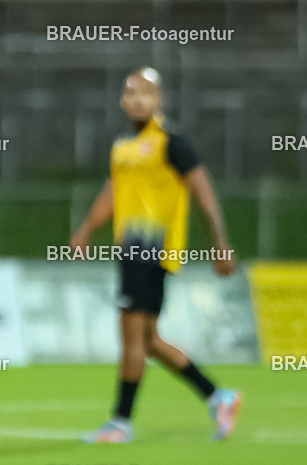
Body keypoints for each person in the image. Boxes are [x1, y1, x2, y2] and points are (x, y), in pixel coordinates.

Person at [70, 67, 241, 444]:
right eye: (131, 93)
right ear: (121, 100)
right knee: (148, 340)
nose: (138, 99)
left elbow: (203, 192)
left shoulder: (171, 143)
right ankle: (219, 396)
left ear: (158, 100)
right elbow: (114, 193)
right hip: (131, 248)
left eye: (146, 93)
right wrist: (85, 230)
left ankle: (120, 423)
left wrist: (221, 243)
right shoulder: (123, 147)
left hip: (151, 249)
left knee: (131, 338)